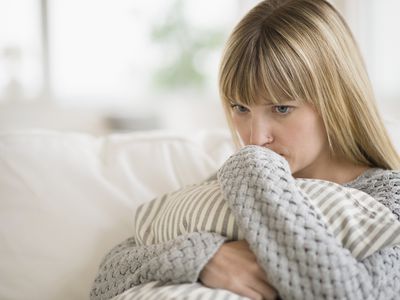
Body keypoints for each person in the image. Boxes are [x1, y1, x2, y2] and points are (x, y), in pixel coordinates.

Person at [90, 0, 400, 299]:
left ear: (336, 99)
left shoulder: (388, 199)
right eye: (240, 107)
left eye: (281, 108)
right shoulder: (224, 184)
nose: (254, 137)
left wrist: (250, 168)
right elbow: (107, 278)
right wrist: (207, 257)